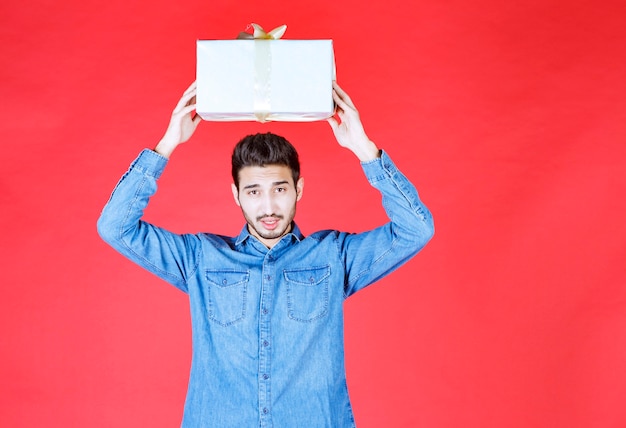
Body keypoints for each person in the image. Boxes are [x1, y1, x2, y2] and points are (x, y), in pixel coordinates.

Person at [97, 81, 434, 428]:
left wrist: (365, 150)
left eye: (280, 189)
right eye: (254, 191)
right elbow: (115, 227)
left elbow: (416, 229)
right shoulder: (200, 258)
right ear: (236, 194)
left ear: (298, 189)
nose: (269, 206)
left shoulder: (334, 256)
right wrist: (167, 144)